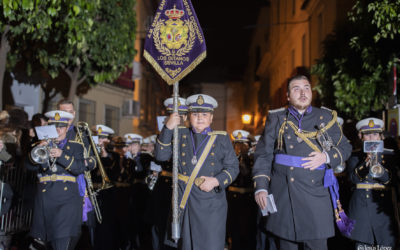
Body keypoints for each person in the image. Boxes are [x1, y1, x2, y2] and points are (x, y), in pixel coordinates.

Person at [252, 75, 352, 250]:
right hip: (284, 195)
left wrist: (326, 157)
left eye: (306, 87)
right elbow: (263, 155)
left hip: (316, 196)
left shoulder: (325, 117)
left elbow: (345, 147)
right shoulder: (277, 118)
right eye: (296, 88)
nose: (303, 92)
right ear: (288, 96)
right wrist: (261, 187)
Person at [155, 94, 239, 250]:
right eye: (195, 114)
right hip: (184, 200)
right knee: (185, 245)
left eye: (204, 114)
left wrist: (216, 181)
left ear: (211, 118)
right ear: (188, 117)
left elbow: (233, 168)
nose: (200, 118)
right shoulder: (180, 134)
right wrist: (168, 127)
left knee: (209, 244)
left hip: (210, 203)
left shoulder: (221, 139)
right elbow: (161, 156)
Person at [25, 110, 90, 250]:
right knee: (39, 244)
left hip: (66, 202)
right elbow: (28, 167)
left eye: (61, 127)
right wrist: (38, 148)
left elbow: (79, 168)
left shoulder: (75, 146)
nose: (58, 130)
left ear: (67, 128)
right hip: (44, 200)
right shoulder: (41, 144)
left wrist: (61, 155)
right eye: (54, 127)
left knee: (61, 244)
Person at [346, 118, 398, 249]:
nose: (371, 138)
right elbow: (353, 179)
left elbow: (393, 181)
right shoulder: (355, 156)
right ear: (361, 137)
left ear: (381, 137)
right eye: (367, 134)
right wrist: (366, 162)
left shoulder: (390, 155)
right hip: (362, 213)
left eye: (375, 134)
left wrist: (379, 168)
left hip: (383, 213)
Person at [226, 130, 257, 250]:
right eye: (237, 145)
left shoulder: (253, 160)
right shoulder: (230, 160)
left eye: (243, 145)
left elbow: (247, 174)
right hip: (232, 197)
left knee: (248, 231)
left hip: (248, 199)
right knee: (233, 229)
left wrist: (245, 161)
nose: (239, 148)